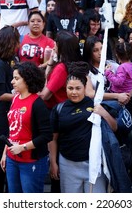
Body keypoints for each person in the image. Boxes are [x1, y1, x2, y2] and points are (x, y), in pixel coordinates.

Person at [49, 62, 108, 193]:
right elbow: (52, 138)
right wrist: (53, 162)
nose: (74, 92)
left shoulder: (95, 104)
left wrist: (104, 113)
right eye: (70, 88)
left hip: (93, 163)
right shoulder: (59, 109)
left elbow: (114, 127)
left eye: (78, 88)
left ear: (84, 88)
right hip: (67, 164)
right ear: (65, 88)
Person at [0, 62, 52, 193]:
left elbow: (47, 135)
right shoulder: (15, 98)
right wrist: (5, 153)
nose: (12, 82)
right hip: (12, 159)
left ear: (28, 79)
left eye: (16, 78)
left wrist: (22, 147)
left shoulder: (38, 104)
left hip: (31, 160)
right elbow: (11, 129)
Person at [0, 26, 20, 193]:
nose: (18, 44)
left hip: (12, 111)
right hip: (2, 113)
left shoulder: (11, 60)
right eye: (16, 40)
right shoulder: (0, 65)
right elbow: (1, 95)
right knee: (4, 154)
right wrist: (21, 96)